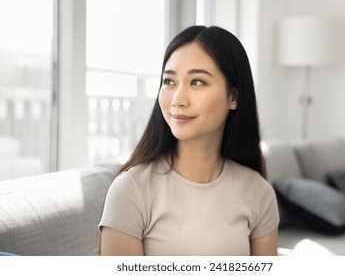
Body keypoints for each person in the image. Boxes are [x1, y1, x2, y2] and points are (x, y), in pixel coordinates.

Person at [98, 25, 279, 256]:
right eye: (169, 82)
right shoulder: (131, 190)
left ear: (233, 96)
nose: (178, 100)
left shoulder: (258, 192)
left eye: (197, 82)